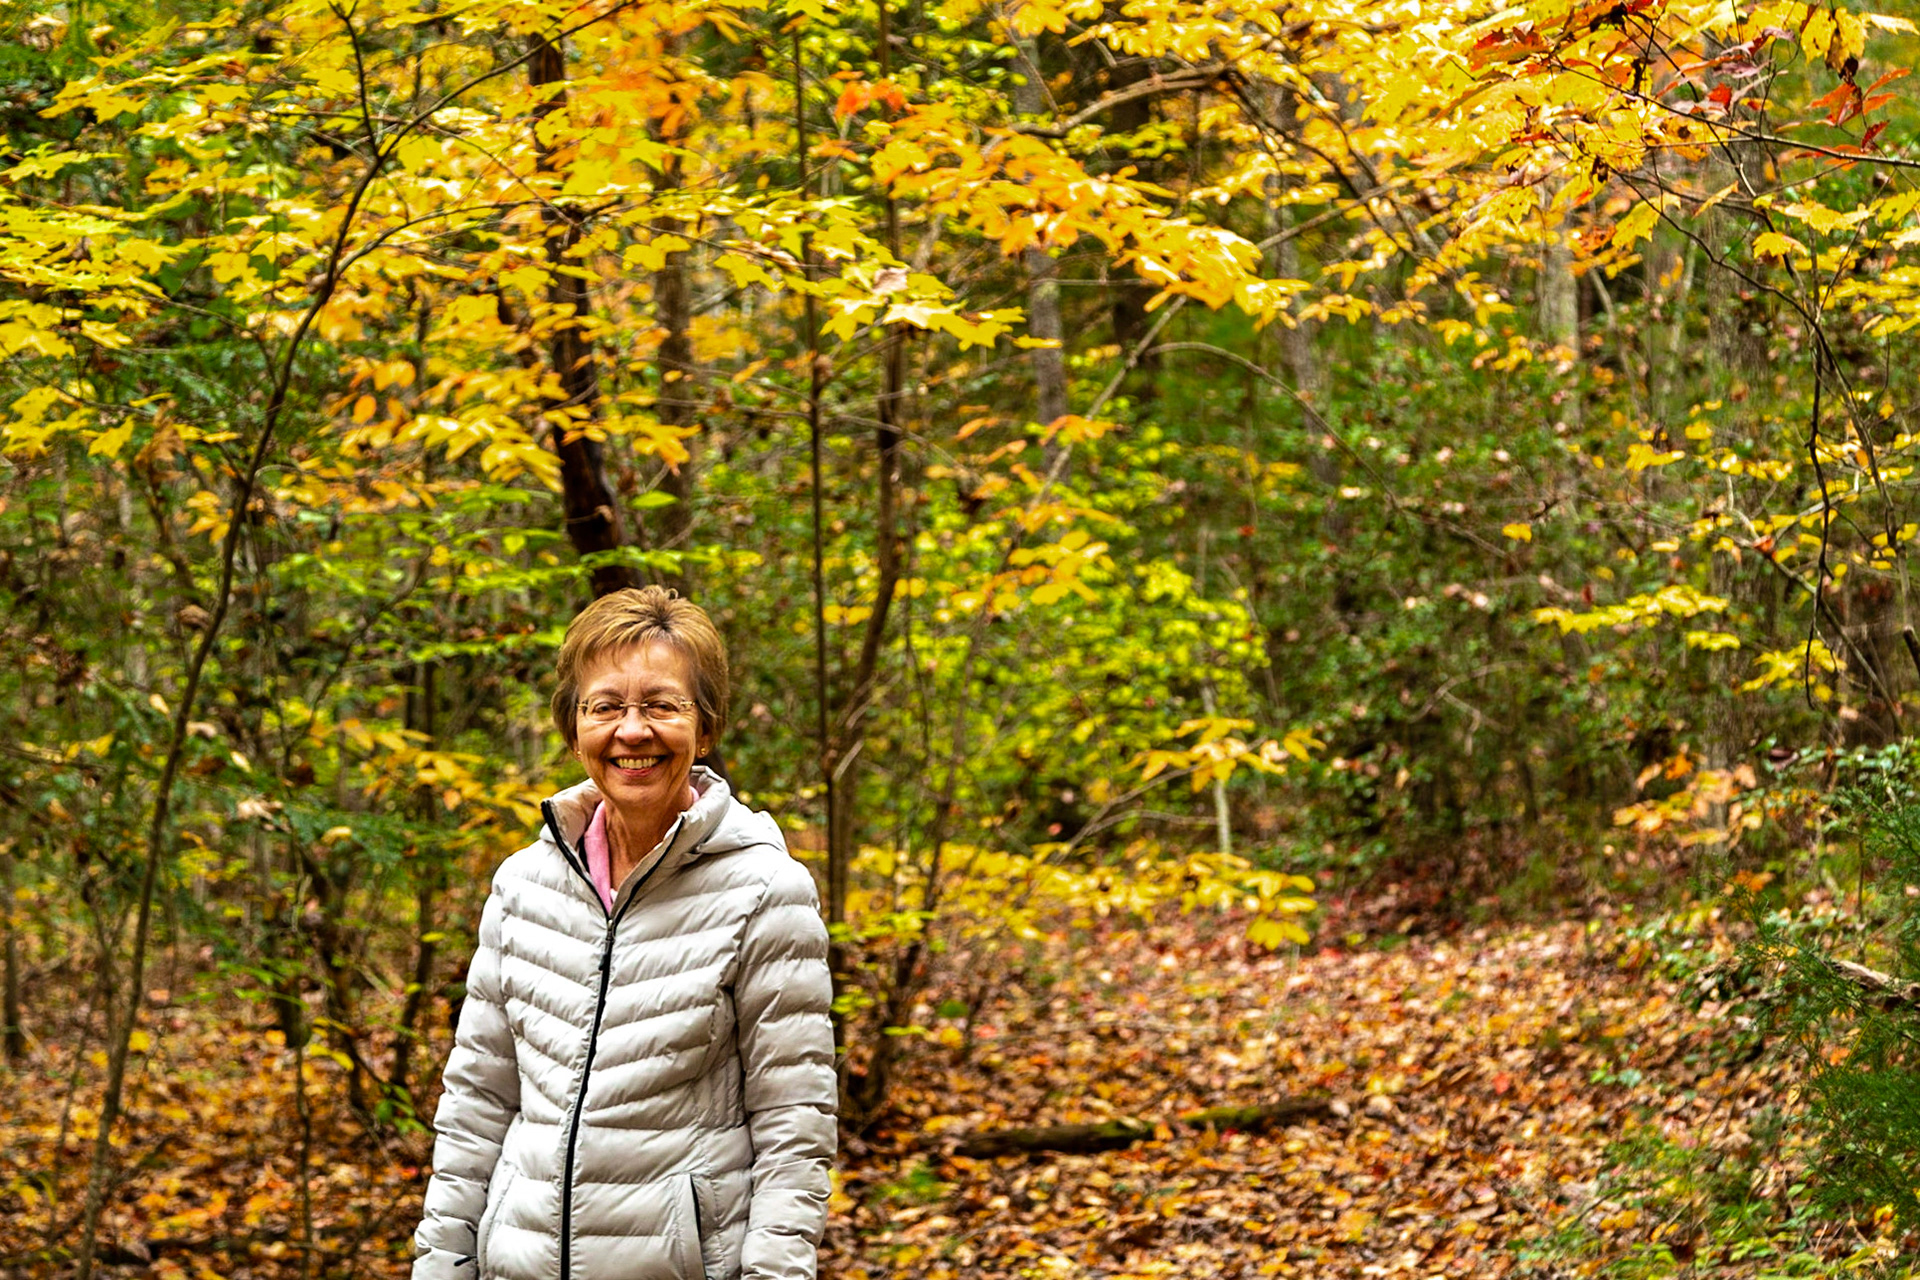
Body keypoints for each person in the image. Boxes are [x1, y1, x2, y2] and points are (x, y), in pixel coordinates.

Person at [413, 587, 837, 1280]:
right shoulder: (522, 886)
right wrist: (442, 1265)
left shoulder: (766, 891)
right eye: (605, 706)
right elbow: (477, 1105)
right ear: (574, 727)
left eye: (661, 705)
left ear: (704, 729)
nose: (631, 731)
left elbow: (796, 1129)